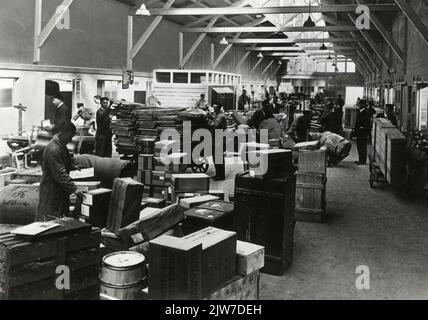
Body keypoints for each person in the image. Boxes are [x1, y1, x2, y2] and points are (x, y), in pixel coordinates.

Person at [36, 123, 85, 221]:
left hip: (58, 188)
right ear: (62, 133)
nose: (70, 140)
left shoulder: (60, 145)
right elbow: (60, 174)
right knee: (50, 220)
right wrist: (74, 189)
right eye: (69, 136)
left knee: (60, 219)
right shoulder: (53, 149)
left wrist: (72, 167)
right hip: (51, 190)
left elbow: (61, 163)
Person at [209, 103, 227, 181]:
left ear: (219, 108)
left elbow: (214, 125)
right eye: (213, 107)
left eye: (215, 108)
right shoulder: (218, 115)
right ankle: (218, 174)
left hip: (218, 139)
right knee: (216, 158)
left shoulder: (220, 116)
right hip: (216, 139)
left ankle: (221, 175)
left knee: (218, 158)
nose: (214, 109)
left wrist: (208, 120)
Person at [354, 100, 372, 165]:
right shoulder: (361, 112)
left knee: (362, 147)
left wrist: (362, 128)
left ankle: (363, 161)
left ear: (363, 105)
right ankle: (360, 159)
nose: (359, 105)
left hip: (362, 133)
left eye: (360, 104)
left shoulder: (365, 112)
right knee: (359, 146)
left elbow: (367, 124)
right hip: (359, 132)